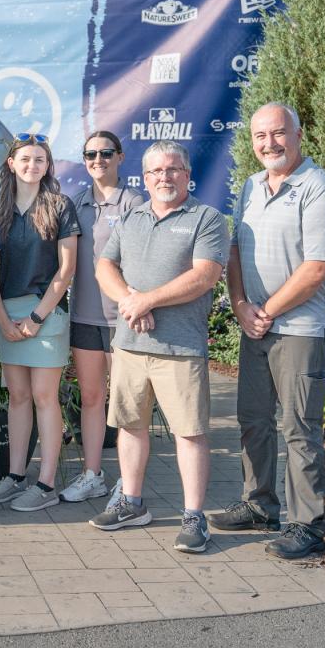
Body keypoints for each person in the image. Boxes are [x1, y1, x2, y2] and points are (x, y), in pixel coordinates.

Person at [210, 103, 325, 560]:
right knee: (253, 420)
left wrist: (264, 311)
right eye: (260, 136)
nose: (269, 143)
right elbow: (233, 251)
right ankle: (259, 505)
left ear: (298, 134)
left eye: (278, 133)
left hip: (300, 329)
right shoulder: (251, 186)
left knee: (300, 428)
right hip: (256, 325)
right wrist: (239, 305)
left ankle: (307, 524)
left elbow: (317, 268)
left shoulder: (319, 187)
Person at [91, 140, 227, 554]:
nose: (164, 177)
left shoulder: (206, 218)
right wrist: (130, 301)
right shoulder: (131, 217)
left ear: (187, 175)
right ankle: (131, 503)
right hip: (130, 345)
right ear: (145, 178)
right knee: (130, 426)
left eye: (172, 170)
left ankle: (194, 517)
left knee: (190, 432)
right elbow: (104, 266)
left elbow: (205, 276)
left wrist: (147, 300)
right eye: (155, 172)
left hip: (180, 347)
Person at [0, 135, 80, 512]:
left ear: (48, 166)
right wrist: (1, 318)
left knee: (44, 397)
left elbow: (66, 269)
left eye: (40, 159)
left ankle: (46, 484)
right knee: (18, 397)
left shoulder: (60, 206)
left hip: (46, 314)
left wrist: (38, 317)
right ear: (11, 163)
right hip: (7, 315)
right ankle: (15, 476)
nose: (32, 165)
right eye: (25, 159)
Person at [61, 131, 145, 505]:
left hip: (122, 320)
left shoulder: (134, 202)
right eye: (91, 154)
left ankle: (128, 483)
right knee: (92, 397)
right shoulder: (75, 203)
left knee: (126, 403)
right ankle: (92, 475)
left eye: (106, 153)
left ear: (120, 157)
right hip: (84, 317)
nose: (98, 159)